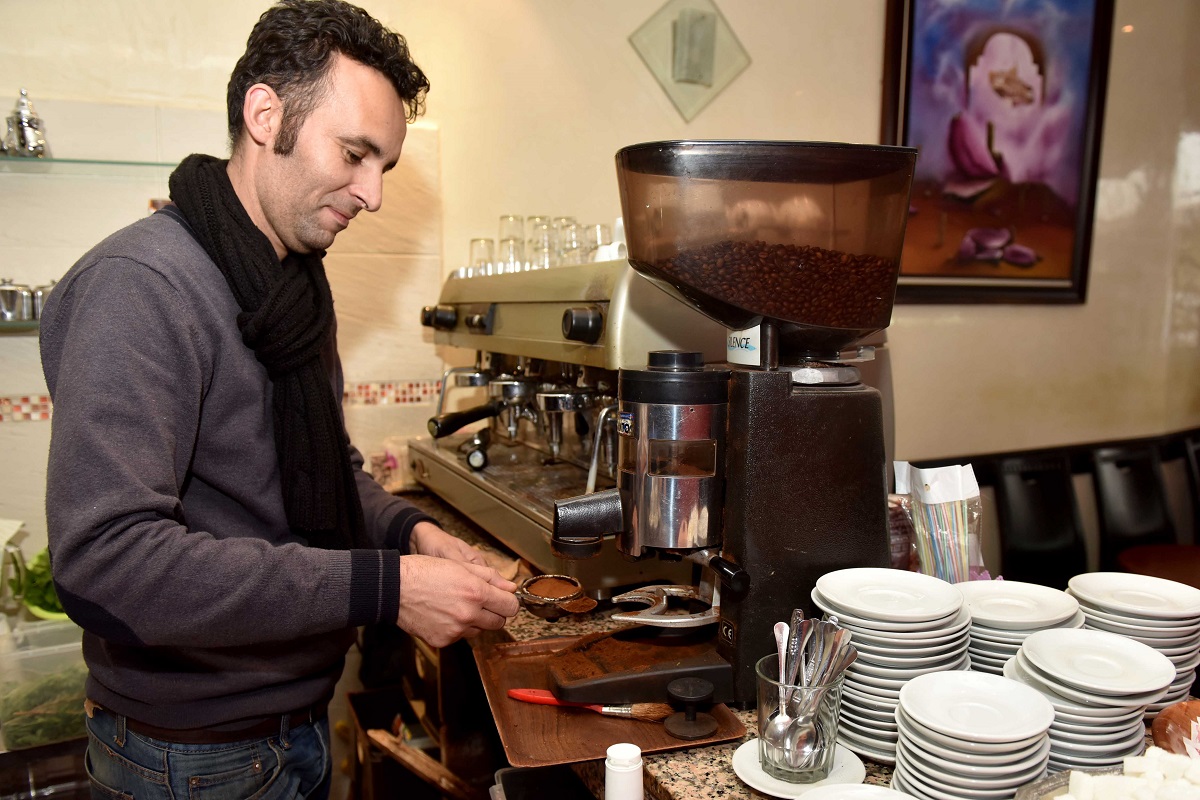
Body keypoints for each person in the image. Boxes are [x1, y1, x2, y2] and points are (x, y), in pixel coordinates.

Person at [38, 2, 520, 797]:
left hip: (295, 723)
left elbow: (329, 471)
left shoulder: (292, 288)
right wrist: (386, 587)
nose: (372, 194)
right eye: (355, 154)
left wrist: (411, 533)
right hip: (188, 757)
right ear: (265, 116)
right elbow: (107, 562)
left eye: (385, 166)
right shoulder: (140, 286)